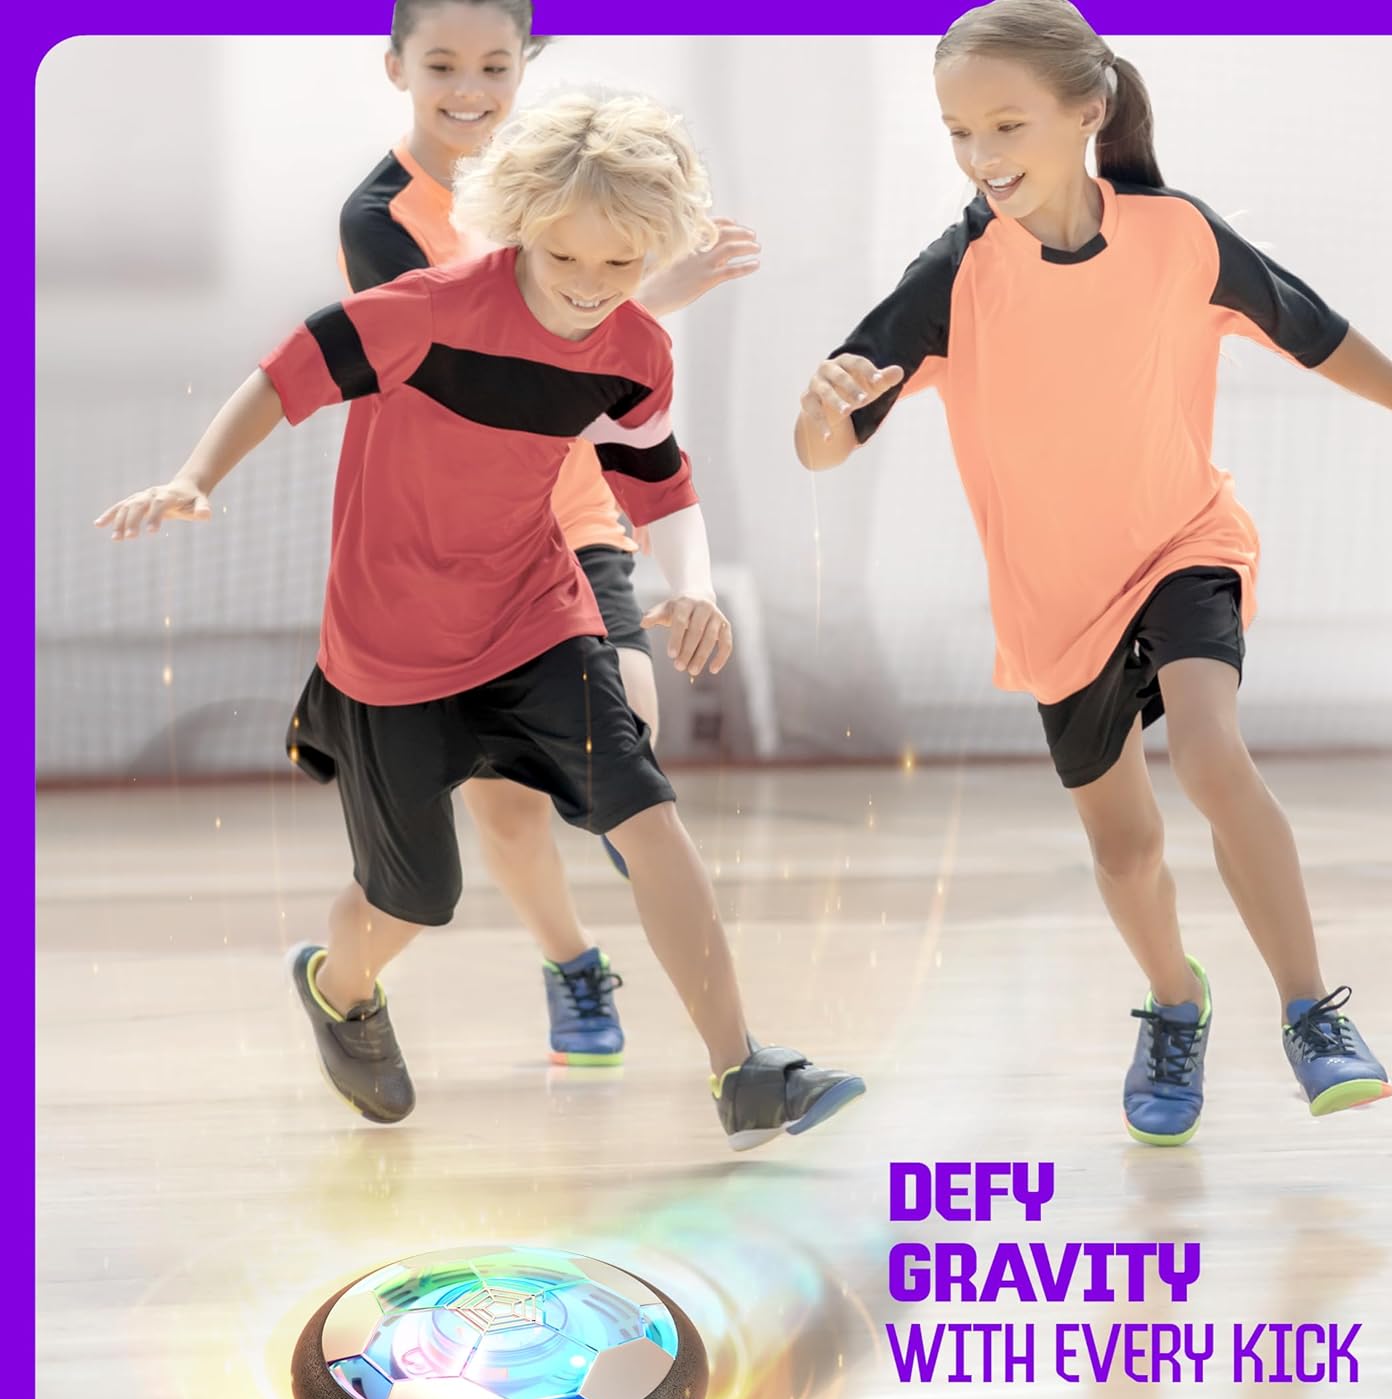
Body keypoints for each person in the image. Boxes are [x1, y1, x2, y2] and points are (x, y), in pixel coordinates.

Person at [97, 91, 864, 1152]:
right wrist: (193, 477)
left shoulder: (636, 347)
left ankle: (744, 1069)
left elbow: (655, 472)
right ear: (520, 228)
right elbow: (283, 377)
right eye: (569, 262)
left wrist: (692, 583)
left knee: (647, 814)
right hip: (390, 652)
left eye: (623, 267)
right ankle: (337, 985)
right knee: (414, 903)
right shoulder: (424, 309)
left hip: (532, 618)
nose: (594, 290)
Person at [794, 0, 1392, 1146]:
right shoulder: (958, 270)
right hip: (1053, 601)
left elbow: (1318, 334)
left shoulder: (1181, 236)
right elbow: (826, 442)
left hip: (1185, 541)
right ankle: (1177, 1001)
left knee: (1215, 755)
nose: (981, 158)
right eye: (959, 134)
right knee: (1124, 849)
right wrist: (819, 410)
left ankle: (1310, 1010)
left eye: (1006, 127)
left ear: (1089, 109)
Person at [342, 0, 762, 1066]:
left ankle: (714, 1014)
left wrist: (638, 285)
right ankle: (572, 964)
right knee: (510, 813)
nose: (469, 87)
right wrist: (651, 298)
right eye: (443, 64)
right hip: (453, 541)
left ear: (526, 66)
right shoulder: (382, 216)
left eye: (494, 62)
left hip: (574, 515)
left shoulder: (564, 176)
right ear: (398, 67)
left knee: (630, 728)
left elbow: (600, 360)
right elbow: (473, 375)